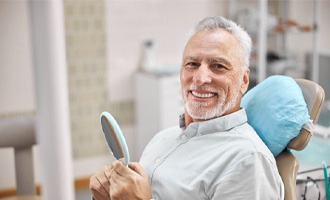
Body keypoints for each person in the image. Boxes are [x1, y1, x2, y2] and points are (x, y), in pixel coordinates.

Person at [89, 16, 284, 200]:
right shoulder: (163, 138)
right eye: (192, 64)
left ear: (243, 80)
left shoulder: (247, 160)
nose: (200, 78)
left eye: (218, 66)